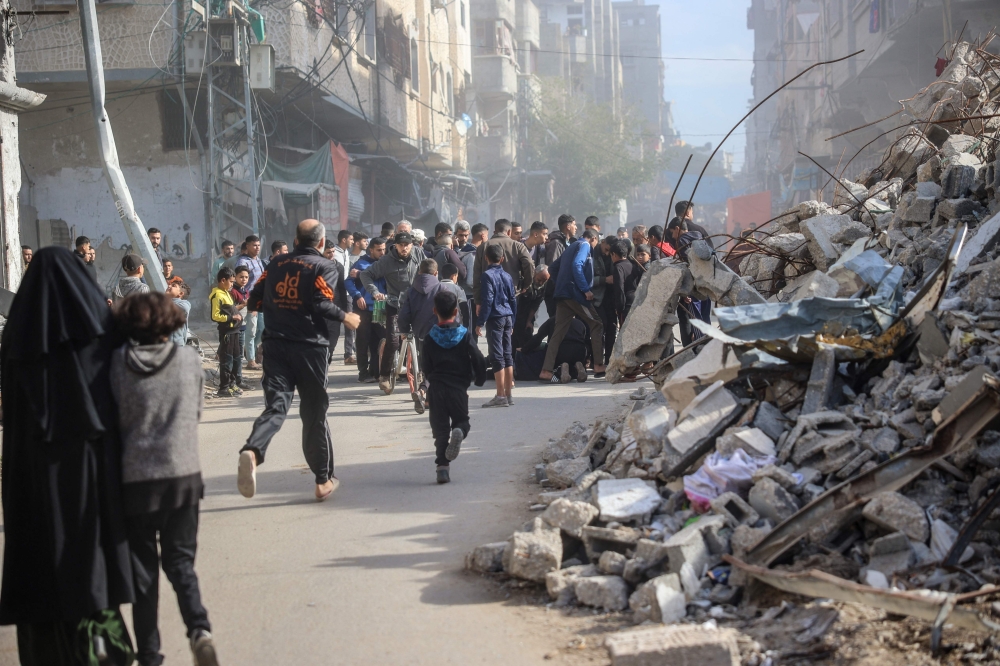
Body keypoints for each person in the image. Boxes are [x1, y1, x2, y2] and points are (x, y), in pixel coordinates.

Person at [0, 247, 136, 665]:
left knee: (41, 564)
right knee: (88, 563)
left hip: (31, 478)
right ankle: (102, 652)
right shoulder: (100, 334)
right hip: (90, 473)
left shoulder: (17, 340)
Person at [110, 293, 218, 666]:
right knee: (181, 563)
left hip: (135, 482)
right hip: (182, 476)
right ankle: (199, 630)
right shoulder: (188, 360)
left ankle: (150, 655)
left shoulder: (117, 364)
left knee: (143, 574)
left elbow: (113, 422)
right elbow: (197, 411)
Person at [239, 220, 361, 501]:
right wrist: (346, 316)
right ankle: (322, 480)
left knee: (276, 406)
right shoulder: (324, 266)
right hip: (310, 348)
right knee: (314, 414)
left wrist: (278, 307)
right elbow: (320, 301)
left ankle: (253, 450)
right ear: (321, 243)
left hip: (275, 345)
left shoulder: (275, 265)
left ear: (295, 240)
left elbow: (254, 300)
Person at [421, 290, 486, 484]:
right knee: (462, 421)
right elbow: (478, 358)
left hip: (437, 389)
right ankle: (459, 431)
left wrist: (430, 378)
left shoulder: (430, 337)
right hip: (458, 388)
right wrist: (480, 379)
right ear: (456, 311)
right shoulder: (464, 334)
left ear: (434, 310)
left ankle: (442, 469)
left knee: (440, 431)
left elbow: (426, 365)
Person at [360, 231, 424, 393]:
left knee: (424, 338)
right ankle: (384, 375)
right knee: (393, 341)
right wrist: (374, 292)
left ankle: (424, 373)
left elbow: (428, 271)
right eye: (401, 245)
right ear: (395, 245)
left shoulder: (418, 254)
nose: (404, 248)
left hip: (415, 304)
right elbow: (365, 274)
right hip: (393, 305)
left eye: (407, 245)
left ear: (412, 245)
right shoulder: (386, 261)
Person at [539, 229, 606, 382]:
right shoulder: (584, 245)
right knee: (596, 324)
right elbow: (577, 265)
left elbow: (552, 268)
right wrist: (585, 289)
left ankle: (546, 370)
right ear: (593, 238)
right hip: (575, 294)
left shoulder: (572, 246)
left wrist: (561, 283)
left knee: (558, 333)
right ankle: (598, 364)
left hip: (562, 294)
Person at [398, 258, 444, 413]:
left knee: (427, 365)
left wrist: (404, 331)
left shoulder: (411, 291)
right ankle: (423, 391)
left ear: (419, 272)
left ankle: (428, 400)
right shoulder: (441, 288)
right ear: (436, 273)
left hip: (421, 334)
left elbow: (404, 314)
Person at [476, 244, 517, 408]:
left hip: (496, 317)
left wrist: (480, 322)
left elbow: (487, 301)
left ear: (486, 258)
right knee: (507, 355)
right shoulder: (507, 276)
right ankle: (508, 394)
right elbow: (513, 299)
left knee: (497, 356)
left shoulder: (487, 276)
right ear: (502, 259)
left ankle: (500, 396)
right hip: (507, 316)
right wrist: (513, 320)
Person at [346, 237, 387, 383]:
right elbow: (348, 282)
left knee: (381, 340)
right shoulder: (360, 263)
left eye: (384, 249)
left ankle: (376, 371)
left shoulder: (386, 263)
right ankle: (363, 373)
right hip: (363, 309)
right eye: (379, 250)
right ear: (371, 250)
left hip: (380, 307)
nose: (382, 252)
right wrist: (357, 296)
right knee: (363, 341)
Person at [473, 219, 533, 309]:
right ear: (509, 231)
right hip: (512, 293)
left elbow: (477, 275)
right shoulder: (518, 246)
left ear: (494, 231)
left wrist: (478, 301)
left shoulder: (482, 247)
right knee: (510, 321)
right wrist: (526, 285)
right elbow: (529, 263)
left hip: (489, 294)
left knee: (492, 322)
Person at [516, 316, 589, 384]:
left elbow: (538, 338)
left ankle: (560, 371)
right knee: (572, 361)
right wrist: (586, 359)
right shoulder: (580, 323)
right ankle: (577, 368)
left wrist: (524, 349)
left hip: (561, 352)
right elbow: (585, 342)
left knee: (551, 355)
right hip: (579, 353)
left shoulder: (552, 320)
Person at [210, 267, 242, 398]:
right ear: (223, 280)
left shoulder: (227, 293)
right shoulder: (217, 294)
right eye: (231, 282)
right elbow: (215, 316)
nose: (232, 285)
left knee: (235, 359)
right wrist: (231, 318)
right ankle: (223, 387)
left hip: (235, 331)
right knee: (226, 359)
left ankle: (232, 384)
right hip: (226, 333)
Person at [236, 235, 265, 370]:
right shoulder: (243, 262)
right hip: (249, 301)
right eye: (254, 245)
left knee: (262, 328)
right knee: (251, 331)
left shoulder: (259, 261)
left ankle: (250, 352)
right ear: (247, 246)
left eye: (258, 245)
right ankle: (251, 360)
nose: (257, 247)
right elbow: (240, 282)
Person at [330, 230, 356, 365]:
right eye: (351, 239)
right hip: (337, 293)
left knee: (350, 324)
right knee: (334, 325)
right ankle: (329, 352)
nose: (353, 242)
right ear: (344, 240)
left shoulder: (346, 253)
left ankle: (348, 354)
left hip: (347, 293)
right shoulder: (334, 253)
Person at [544, 214, 578, 316]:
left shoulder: (569, 243)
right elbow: (552, 268)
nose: (576, 227)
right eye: (574, 225)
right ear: (568, 227)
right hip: (556, 292)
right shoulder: (556, 243)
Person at [230, 266, 252, 391]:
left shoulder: (245, 290)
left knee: (238, 355)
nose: (244, 279)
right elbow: (231, 310)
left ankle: (238, 379)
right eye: (241, 277)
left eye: (246, 277)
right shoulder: (233, 291)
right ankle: (235, 380)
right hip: (234, 326)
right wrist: (244, 304)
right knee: (235, 354)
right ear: (235, 277)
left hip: (242, 326)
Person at [609, 240, 640, 323]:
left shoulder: (618, 267)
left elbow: (619, 288)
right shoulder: (632, 265)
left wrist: (619, 308)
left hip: (625, 304)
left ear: (614, 254)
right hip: (635, 300)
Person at [167, 280, 192, 347]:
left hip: (177, 345)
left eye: (173, 286)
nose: (169, 286)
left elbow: (184, 309)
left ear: (180, 294)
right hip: (163, 346)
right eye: (170, 285)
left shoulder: (184, 304)